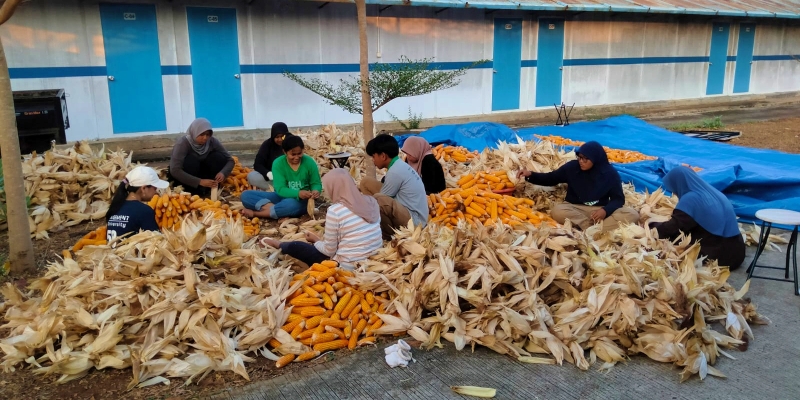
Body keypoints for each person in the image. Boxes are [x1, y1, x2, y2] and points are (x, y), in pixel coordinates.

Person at [261, 168, 383, 269]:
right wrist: (317, 239)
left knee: (299, 247)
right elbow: (356, 235)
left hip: (347, 267)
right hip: (374, 262)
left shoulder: (335, 211)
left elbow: (329, 252)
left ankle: (279, 245)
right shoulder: (371, 201)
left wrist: (317, 242)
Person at [517, 140, 639, 232]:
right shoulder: (572, 168)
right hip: (575, 208)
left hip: (599, 210)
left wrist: (605, 211)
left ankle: (594, 231)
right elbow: (551, 178)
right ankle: (590, 229)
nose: (581, 161)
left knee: (632, 214)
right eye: (580, 157)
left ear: (596, 159)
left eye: (586, 159)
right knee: (558, 211)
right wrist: (530, 175)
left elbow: (618, 199)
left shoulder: (609, 174)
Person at [649, 166, 745, 270]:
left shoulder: (691, 198)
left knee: (670, 241)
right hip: (738, 251)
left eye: (674, 189)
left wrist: (652, 226)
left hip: (720, 257)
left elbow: (673, 227)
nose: (675, 193)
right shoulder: (714, 193)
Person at [360, 134, 428, 240]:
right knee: (365, 183)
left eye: (374, 156)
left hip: (415, 222)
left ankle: (386, 236)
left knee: (378, 200)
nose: (373, 160)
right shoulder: (398, 165)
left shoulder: (395, 172)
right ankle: (374, 223)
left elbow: (381, 198)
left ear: (383, 156)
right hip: (406, 209)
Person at [240, 135, 322, 219]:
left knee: (291, 205)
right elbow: (280, 189)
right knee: (246, 195)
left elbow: (316, 183)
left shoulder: (309, 162)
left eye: (299, 153)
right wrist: (298, 193)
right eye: (293, 154)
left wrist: (316, 190)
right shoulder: (278, 163)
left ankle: (255, 213)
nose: (297, 157)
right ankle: (276, 210)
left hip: (301, 200)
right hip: (281, 196)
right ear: (285, 152)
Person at [168, 118, 234, 196]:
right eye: (202, 134)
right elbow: (175, 170)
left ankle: (211, 187)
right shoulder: (183, 144)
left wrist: (223, 173)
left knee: (218, 157)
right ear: (195, 132)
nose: (205, 138)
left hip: (204, 172)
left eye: (208, 134)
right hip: (188, 177)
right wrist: (199, 181)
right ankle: (194, 190)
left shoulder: (212, 141)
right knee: (191, 161)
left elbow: (230, 160)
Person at [106, 166, 169, 242]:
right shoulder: (144, 211)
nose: (156, 192)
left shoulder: (115, 207)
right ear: (144, 188)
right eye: (154, 188)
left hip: (112, 253)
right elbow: (157, 242)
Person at [248, 122, 291, 190]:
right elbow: (257, 164)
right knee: (252, 176)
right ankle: (275, 188)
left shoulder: (292, 143)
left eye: (282, 136)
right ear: (272, 136)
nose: (280, 139)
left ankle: (285, 188)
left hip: (291, 178)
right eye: (277, 137)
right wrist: (268, 173)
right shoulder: (267, 145)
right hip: (272, 179)